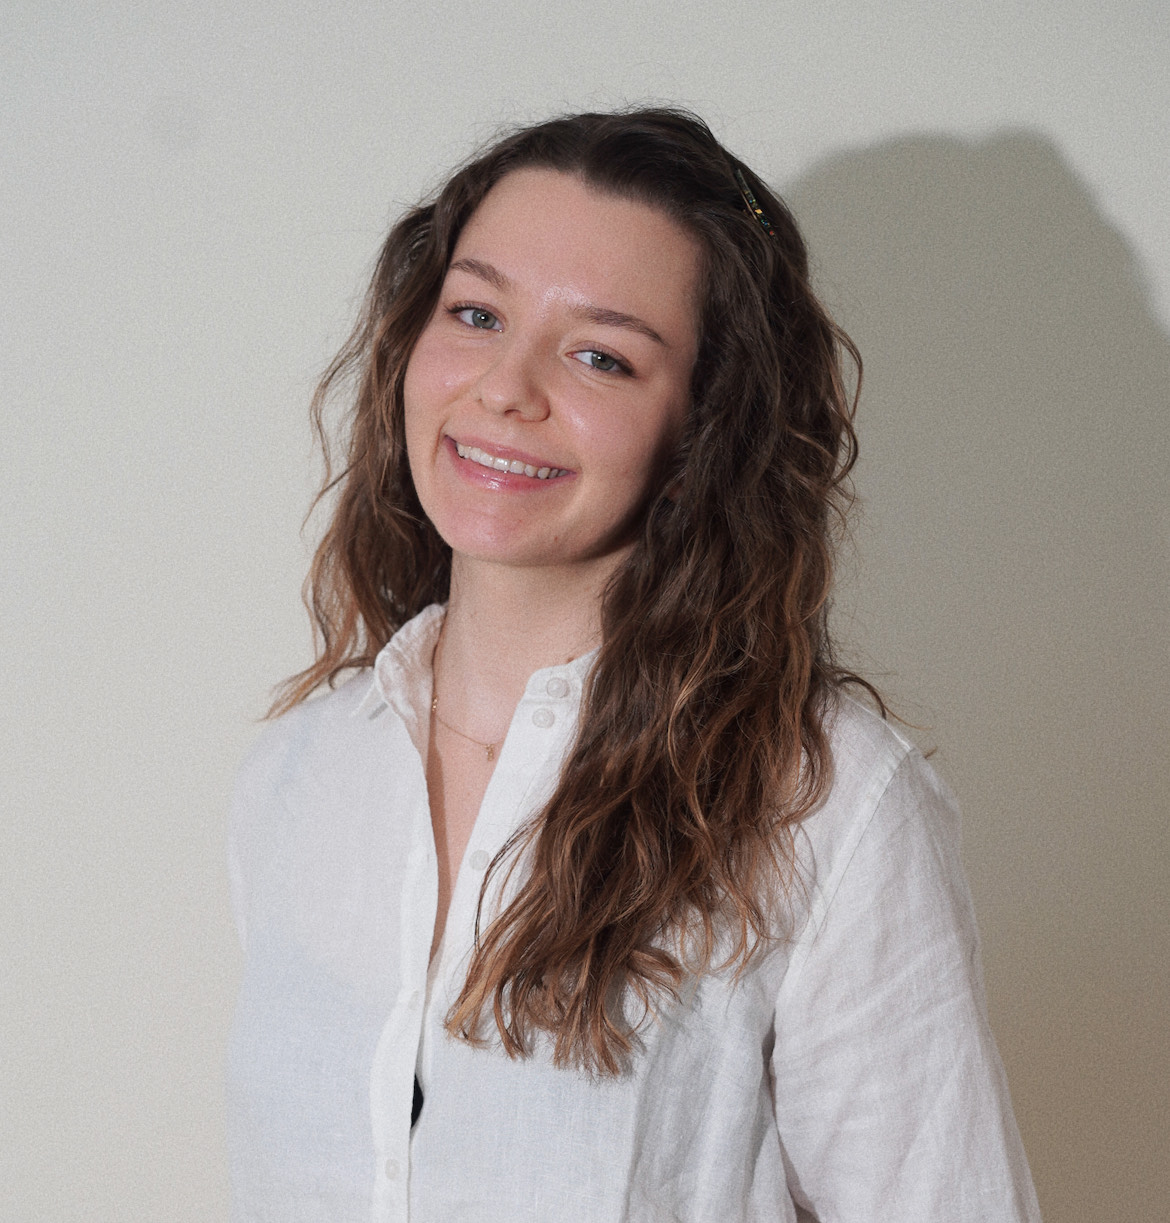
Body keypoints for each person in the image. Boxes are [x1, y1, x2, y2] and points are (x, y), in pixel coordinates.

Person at [226, 108, 1041, 1222]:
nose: (505, 388)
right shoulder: (299, 774)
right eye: (476, 313)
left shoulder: (821, 806)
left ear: (705, 428)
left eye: (601, 355)